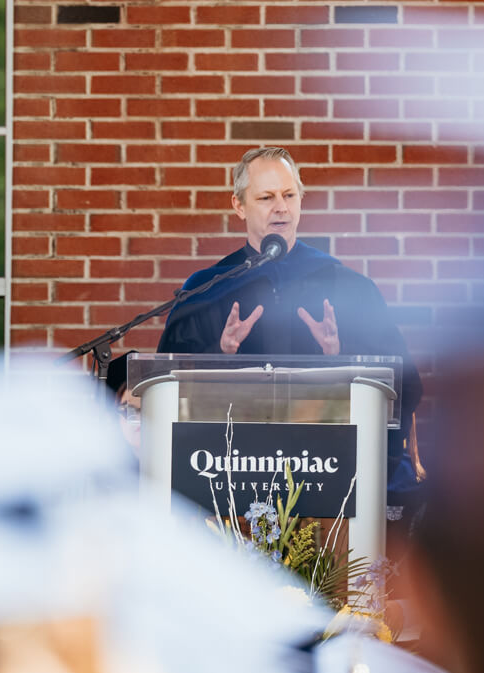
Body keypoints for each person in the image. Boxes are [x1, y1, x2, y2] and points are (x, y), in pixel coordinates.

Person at [157, 146, 422, 462]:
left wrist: (341, 354)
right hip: (227, 467)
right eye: (266, 198)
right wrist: (219, 353)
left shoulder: (348, 288)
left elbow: (402, 383)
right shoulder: (206, 290)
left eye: (289, 195)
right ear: (239, 206)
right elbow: (167, 389)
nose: (280, 207)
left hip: (329, 465)